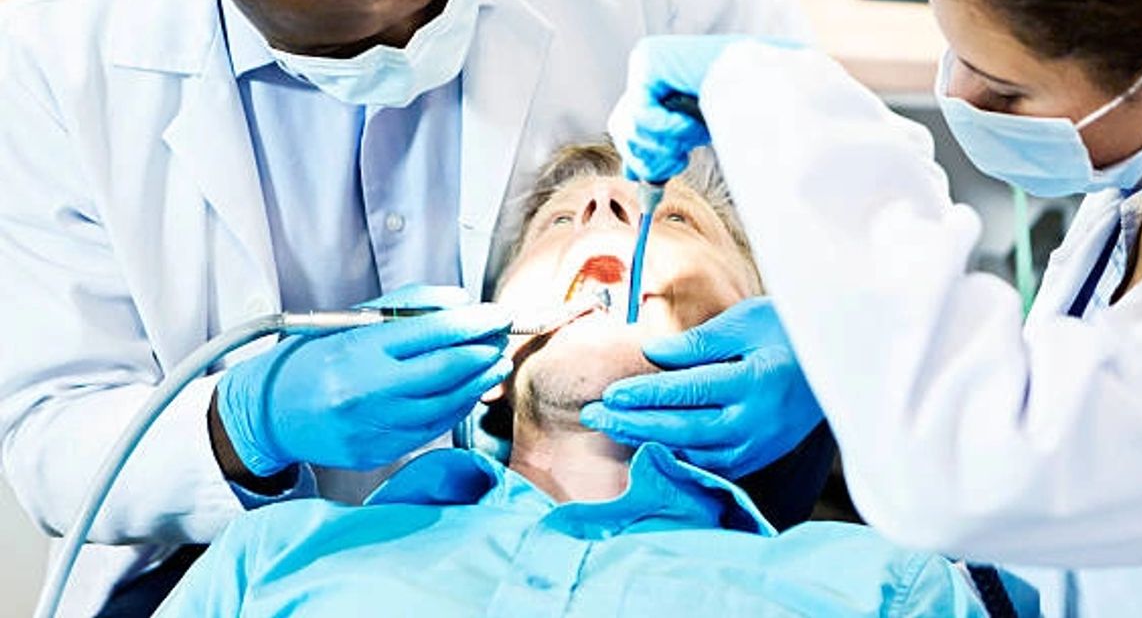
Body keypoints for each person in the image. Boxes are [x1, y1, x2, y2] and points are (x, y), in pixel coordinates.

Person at [0, 0, 821, 613]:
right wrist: (249, 421)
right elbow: (48, 436)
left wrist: (824, 345)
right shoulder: (61, 61)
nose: (411, 46)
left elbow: (859, 205)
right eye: (341, 42)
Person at [603, 0, 1142, 616]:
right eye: (954, 48)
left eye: (1007, 91)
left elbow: (971, 466)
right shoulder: (1140, 184)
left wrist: (770, 101)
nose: (960, 94)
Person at [152, 142, 985, 617]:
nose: (606, 212)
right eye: (558, 220)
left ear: (759, 329)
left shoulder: (888, 589)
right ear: (487, 364)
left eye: (677, 218)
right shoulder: (268, 559)